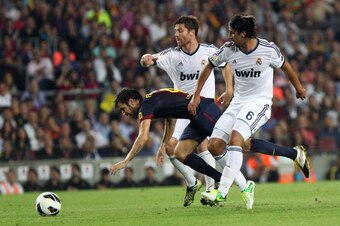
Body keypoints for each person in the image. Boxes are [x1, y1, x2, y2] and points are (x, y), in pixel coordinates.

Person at [110, 88, 309, 208]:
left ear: (133, 101)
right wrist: (164, 144)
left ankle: (293, 153)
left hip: (203, 111)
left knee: (240, 143)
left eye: (123, 108)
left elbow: (143, 137)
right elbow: (170, 118)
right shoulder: (151, 100)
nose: (124, 113)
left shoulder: (145, 107)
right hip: (195, 117)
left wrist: (126, 161)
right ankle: (221, 180)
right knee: (180, 152)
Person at [188, 14, 307, 207]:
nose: (229, 36)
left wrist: (299, 88)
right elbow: (209, 65)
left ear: (244, 33)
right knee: (214, 145)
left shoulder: (268, 50)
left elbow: (286, 67)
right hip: (238, 103)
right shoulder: (229, 50)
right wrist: (196, 94)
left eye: (233, 33)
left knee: (236, 140)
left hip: (260, 103)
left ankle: (222, 192)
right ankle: (246, 186)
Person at [140, 15, 221, 206]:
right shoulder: (172, 55)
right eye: (175, 31)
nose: (176, 34)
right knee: (170, 148)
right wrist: (147, 59)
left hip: (204, 107)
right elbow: (150, 60)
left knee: (203, 146)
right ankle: (192, 182)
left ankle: (212, 189)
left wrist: (229, 89)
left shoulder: (210, 51)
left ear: (192, 32)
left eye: (180, 30)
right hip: (183, 109)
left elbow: (226, 65)